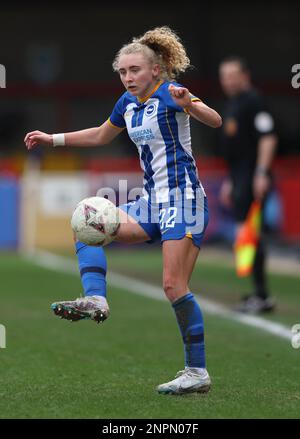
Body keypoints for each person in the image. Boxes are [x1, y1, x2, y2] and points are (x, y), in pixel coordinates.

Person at [24, 26, 222, 395]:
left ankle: (197, 372)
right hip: (151, 202)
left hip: (184, 202)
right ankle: (96, 297)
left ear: (156, 71)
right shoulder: (126, 104)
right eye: (123, 72)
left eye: (135, 70)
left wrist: (190, 102)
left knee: (172, 285)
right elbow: (101, 135)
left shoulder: (171, 94)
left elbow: (215, 120)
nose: (128, 77)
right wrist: (53, 139)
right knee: (88, 222)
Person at [218, 56, 278, 313]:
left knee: (250, 234)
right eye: (224, 76)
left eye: (233, 75)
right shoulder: (233, 105)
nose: (228, 81)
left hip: (254, 176)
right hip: (240, 176)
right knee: (246, 235)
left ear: (245, 75)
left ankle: (262, 296)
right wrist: (231, 181)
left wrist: (262, 173)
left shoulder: (254, 100)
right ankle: (258, 293)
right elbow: (236, 151)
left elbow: (268, 137)